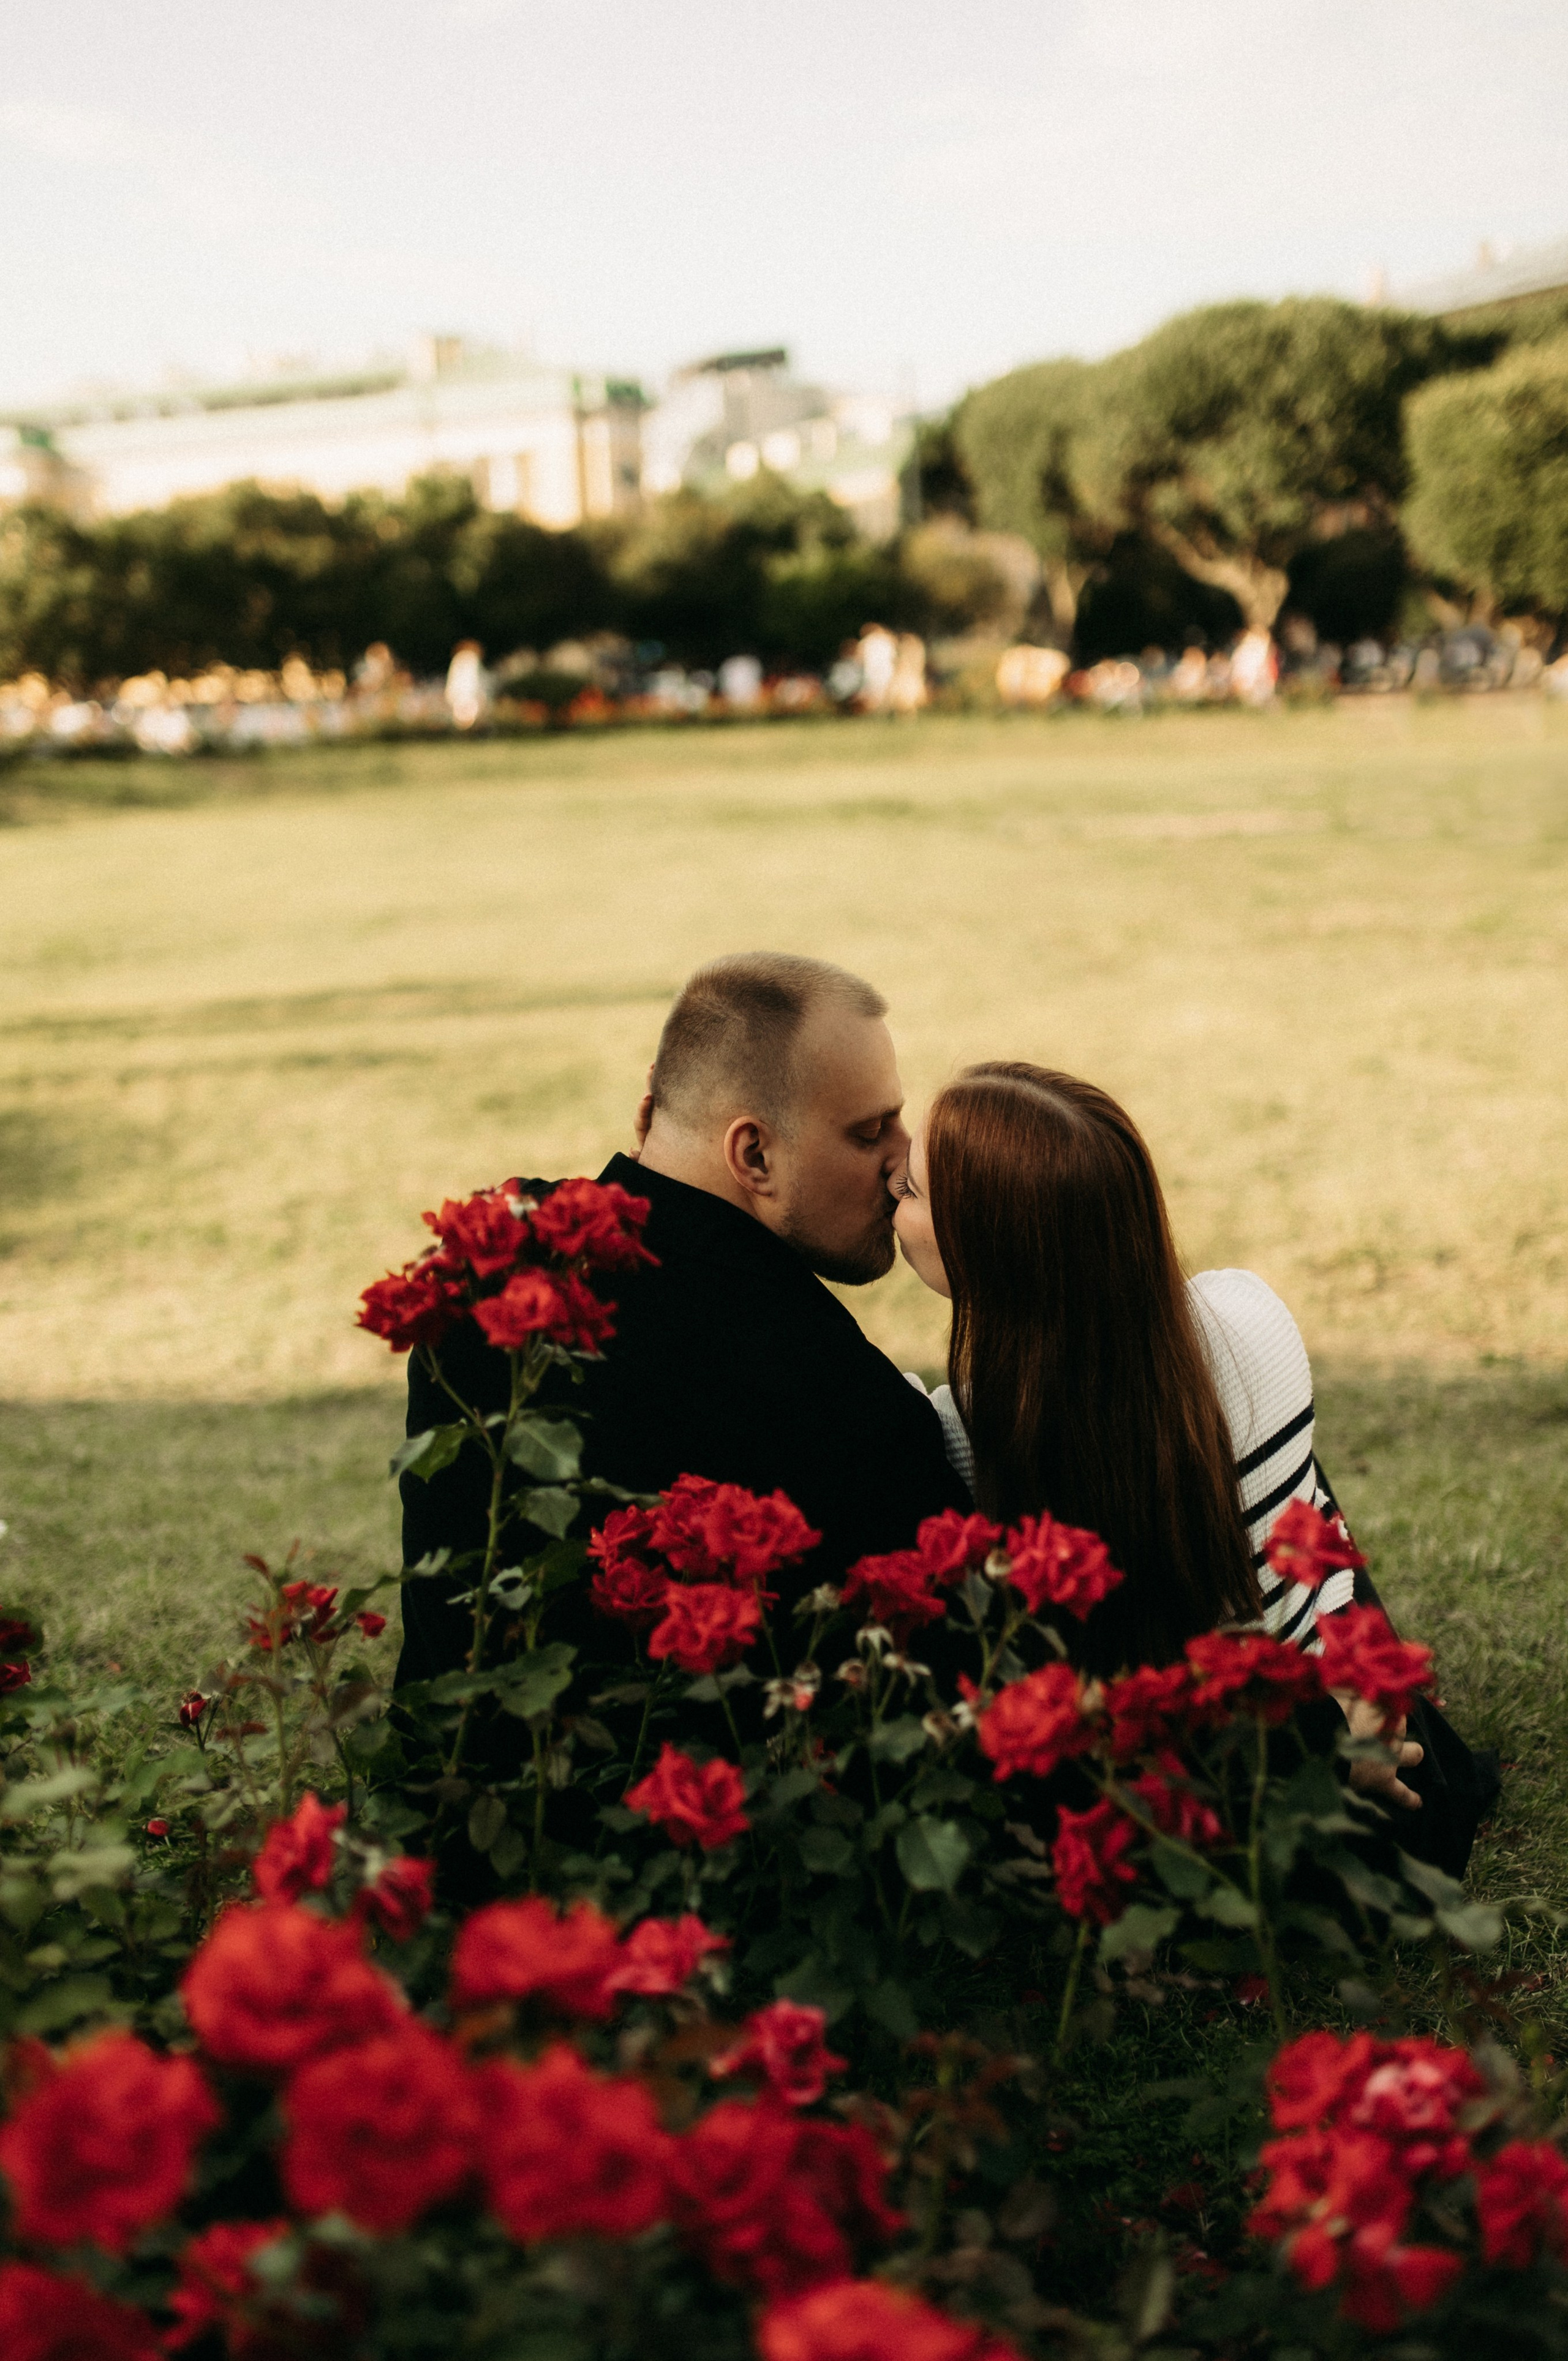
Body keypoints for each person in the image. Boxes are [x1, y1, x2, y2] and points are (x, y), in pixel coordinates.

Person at [891, 1061, 1498, 1871]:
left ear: (986, 1247)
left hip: (1230, 1825)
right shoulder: (1253, 1316)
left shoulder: (971, 1431)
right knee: (1292, 1508)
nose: (891, 1176)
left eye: (912, 1191)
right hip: (1394, 1779)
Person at [396, 954, 969, 1687]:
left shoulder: (489, 1258)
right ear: (754, 1153)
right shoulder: (810, 1367)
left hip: (440, 1759)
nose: (903, 1162)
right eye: (869, 1132)